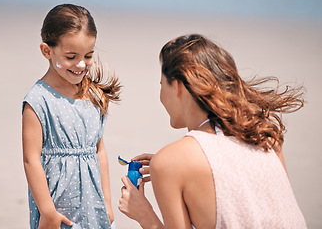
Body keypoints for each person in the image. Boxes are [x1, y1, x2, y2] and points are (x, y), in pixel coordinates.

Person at [118, 34, 307, 229]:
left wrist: (143, 214)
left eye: (161, 84)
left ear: (177, 86)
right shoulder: (264, 137)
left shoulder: (170, 162)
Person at [22, 4, 120, 229]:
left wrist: (106, 201)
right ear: (47, 51)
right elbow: (31, 160)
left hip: (94, 206)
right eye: (71, 56)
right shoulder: (38, 100)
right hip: (58, 210)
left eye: (88, 55)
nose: (81, 64)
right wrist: (47, 212)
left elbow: (99, 150)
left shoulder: (93, 96)